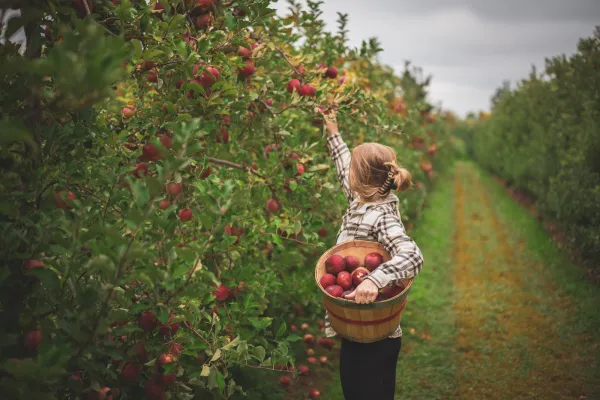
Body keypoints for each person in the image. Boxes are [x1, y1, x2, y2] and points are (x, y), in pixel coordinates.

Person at [320, 109, 424, 400]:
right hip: (357, 325)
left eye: (353, 169)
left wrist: (373, 280)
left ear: (362, 179)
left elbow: (412, 255)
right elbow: (342, 166)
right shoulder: (362, 199)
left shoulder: (380, 216)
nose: (347, 173)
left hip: (375, 336)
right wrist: (333, 131)